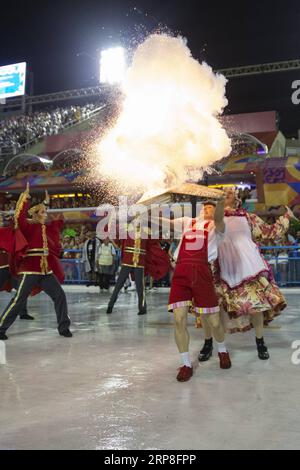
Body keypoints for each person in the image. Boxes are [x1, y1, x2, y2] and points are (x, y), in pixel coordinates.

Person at [205, 187, 292, 360]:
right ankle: (211, 345)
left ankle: (260, 342)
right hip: (221, 267)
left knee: (256, 307)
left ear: (236, 198)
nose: (226, 195)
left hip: (248, 266)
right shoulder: (210, 218)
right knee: (214, 310)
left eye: (229, 193)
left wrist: (286, 218)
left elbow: (268, 232)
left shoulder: (247, 217)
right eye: (224, 193)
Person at [168, 197, 231, 382]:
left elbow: (219, 218)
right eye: (205, 206)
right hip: (181, 271)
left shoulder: (217, 228)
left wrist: (220, 203)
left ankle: (222, 350)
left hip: (202, 271)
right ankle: (186, 364)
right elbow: (167, 223)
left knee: (215, 322)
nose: (207, 209)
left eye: (211, 207)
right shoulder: (189, 222)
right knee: (179, 319)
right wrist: (145, 214)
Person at [0, 184, 72, 340]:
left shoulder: (43, 227)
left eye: (45, 212)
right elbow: (19, 216)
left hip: (45, 271)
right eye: (43, 212)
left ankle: (64, 327)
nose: (46, 214)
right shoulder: (28, 225)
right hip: (30, 269)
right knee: (19, 299)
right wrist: (25, 197)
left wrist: (45, 203)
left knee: (60, 295)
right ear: (35, 214)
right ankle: (1, 327)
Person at [107, 220, 170, 316]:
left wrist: (161, 229)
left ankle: (142, 308)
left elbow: (154, 241)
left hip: (140, 261)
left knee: (140, 287)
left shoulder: (147, 230)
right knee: (119, 284)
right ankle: (110, 305)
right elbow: (117, 239)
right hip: (128, 260)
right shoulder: (126, 228)